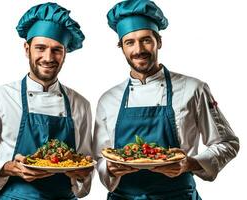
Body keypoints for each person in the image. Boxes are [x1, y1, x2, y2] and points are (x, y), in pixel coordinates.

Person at [93, 0, 240, 199]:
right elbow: (99, 157)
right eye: (130, 42)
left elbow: (227, 142)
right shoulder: (108, 99)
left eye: (146, 40)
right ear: (121, 46)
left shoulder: (193, 89)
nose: (139, 49)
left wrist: (190, 163)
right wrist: (109, 168)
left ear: (159, 41)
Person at [0, 2, 93, 200]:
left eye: (57, 50)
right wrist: (6, 167)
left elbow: (84, 164)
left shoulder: (80, 104)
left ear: (65, 53)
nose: (48, 57)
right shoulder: (0, 98)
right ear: (27, 48)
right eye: (40, 48)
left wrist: (82, 174)